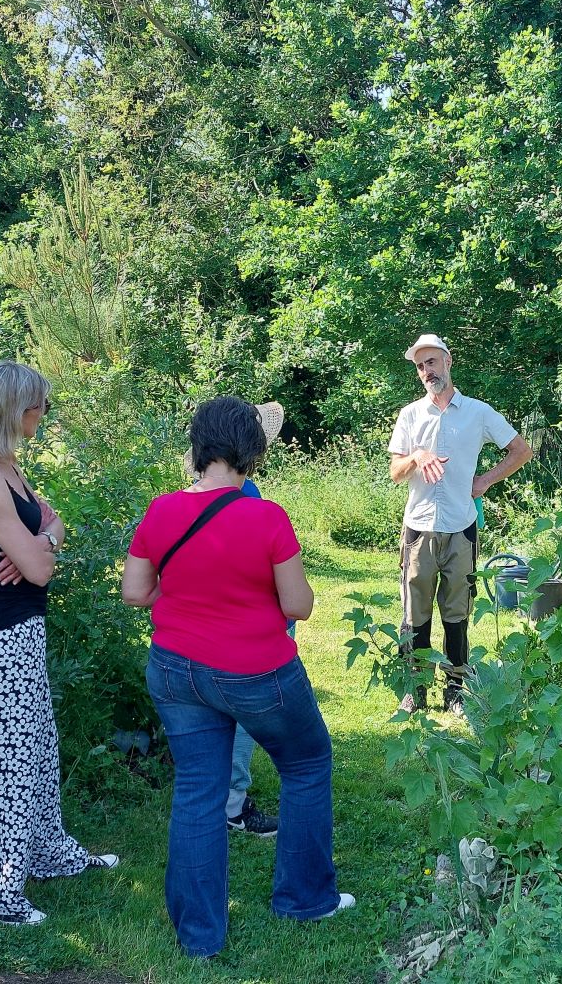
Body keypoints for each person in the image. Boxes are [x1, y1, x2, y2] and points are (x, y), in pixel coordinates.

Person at [123, 395, 353, 959]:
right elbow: (299, 605)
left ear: (198, 449)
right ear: (250, 451)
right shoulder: (266, 516)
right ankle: (304, 899)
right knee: (306, 763)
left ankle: (199, 937)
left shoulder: (161, 510)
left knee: (199, 790)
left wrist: (176, 598)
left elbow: (134, 592)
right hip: (254, 670)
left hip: (176, 669)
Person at [0, 360, 119, 926]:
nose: (44, 414)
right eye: (39, 405)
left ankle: (46, 854)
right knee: (5, 761)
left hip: (20, 629)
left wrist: (38, 541)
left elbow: (55, 527)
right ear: (14, 409)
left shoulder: (7, 466)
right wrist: (37, 553)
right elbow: (41, 570)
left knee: (36, 748)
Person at [389, 334, 533, 714]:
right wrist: (417, 456)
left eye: (432, 362)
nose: (426, 371)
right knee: (413, 614)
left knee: (457, 612)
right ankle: (414, 690)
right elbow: (395, 471)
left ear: (448, 362)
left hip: (460, 527)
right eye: (421, 366)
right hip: (418, 528)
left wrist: (484, 481)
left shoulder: (478, 413)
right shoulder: (410, 415)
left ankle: (455, 690)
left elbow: (521, 450)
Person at [186, 402, 285, 839]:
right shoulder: (251, 497)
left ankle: (215, 794)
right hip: (245, 622)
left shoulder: (186, 496)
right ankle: (231, 802)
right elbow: (291, 593)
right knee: (244, 713)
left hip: (197, 627)